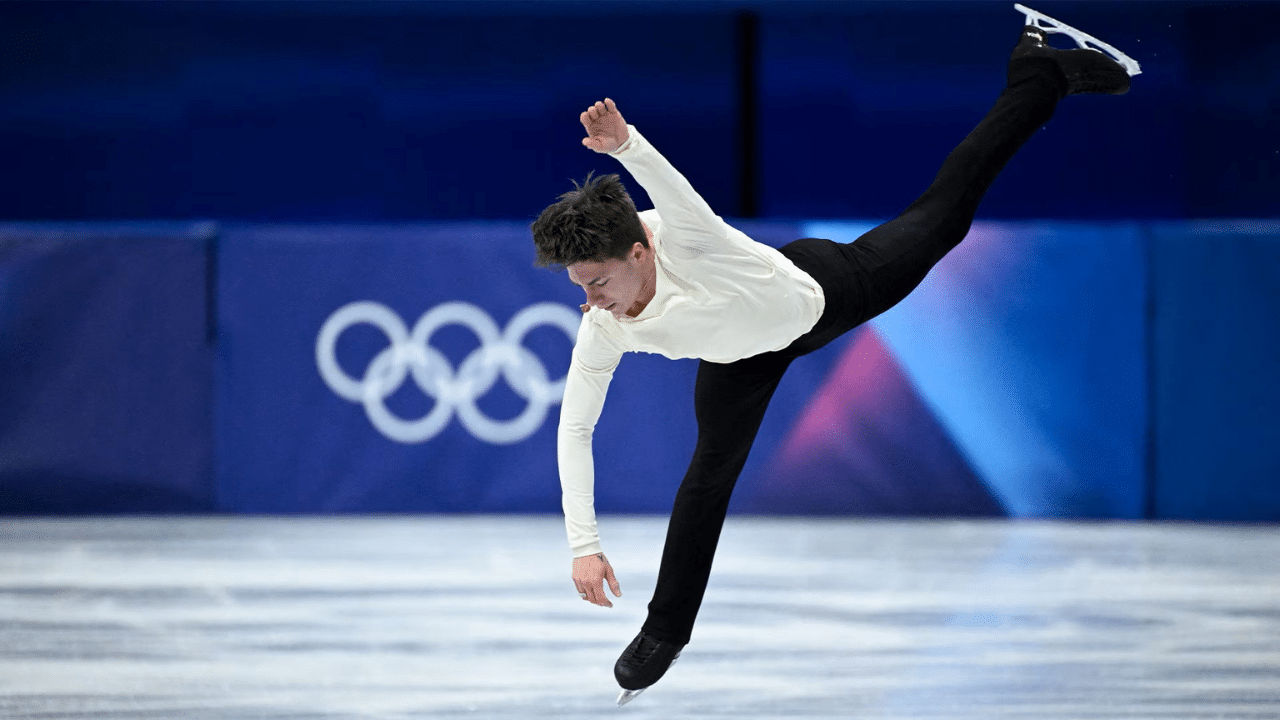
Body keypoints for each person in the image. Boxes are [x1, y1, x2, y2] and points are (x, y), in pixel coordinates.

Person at [530, 12, 1135, 705]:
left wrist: (627, 146)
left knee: (945, 215)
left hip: (822, 291)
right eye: (580, 288)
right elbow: (575, 427)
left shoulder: (687, 237)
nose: (592, 304)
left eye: (598, 282)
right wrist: (584, 545)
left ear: (640, 250)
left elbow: (671, 190)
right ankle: (665, 632)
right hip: (737, 357)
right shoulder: (602, 324)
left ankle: (1038, 76)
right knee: (707, 478)